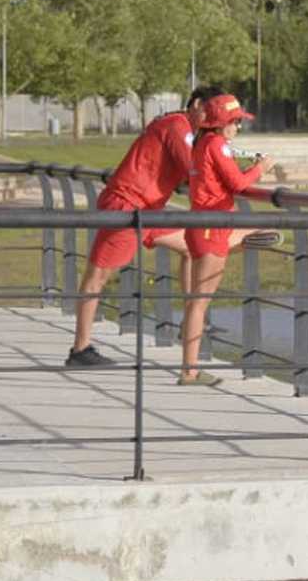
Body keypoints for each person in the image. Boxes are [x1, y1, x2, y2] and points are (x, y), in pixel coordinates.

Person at [65, 85, 222, 368]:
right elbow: (193, 170)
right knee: (98, 275)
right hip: (127, 208)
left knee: (191, 248)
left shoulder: (181, 127)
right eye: (210, 110)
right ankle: (80, 349)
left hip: (148, 211)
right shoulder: (178, 126)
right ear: (196, 104)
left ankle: (191, 320)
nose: (213, 118)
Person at [177, 93, 276, 386]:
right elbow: (237, 184)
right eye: (235, 122)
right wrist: (262, 168)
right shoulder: (217, 145)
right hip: (212, 227)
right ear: (222, 123)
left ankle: (246, 239)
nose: (238, 127)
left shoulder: (201, 143)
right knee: (199, 303)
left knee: (198, 300)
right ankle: (189, 372)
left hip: (200, 226)